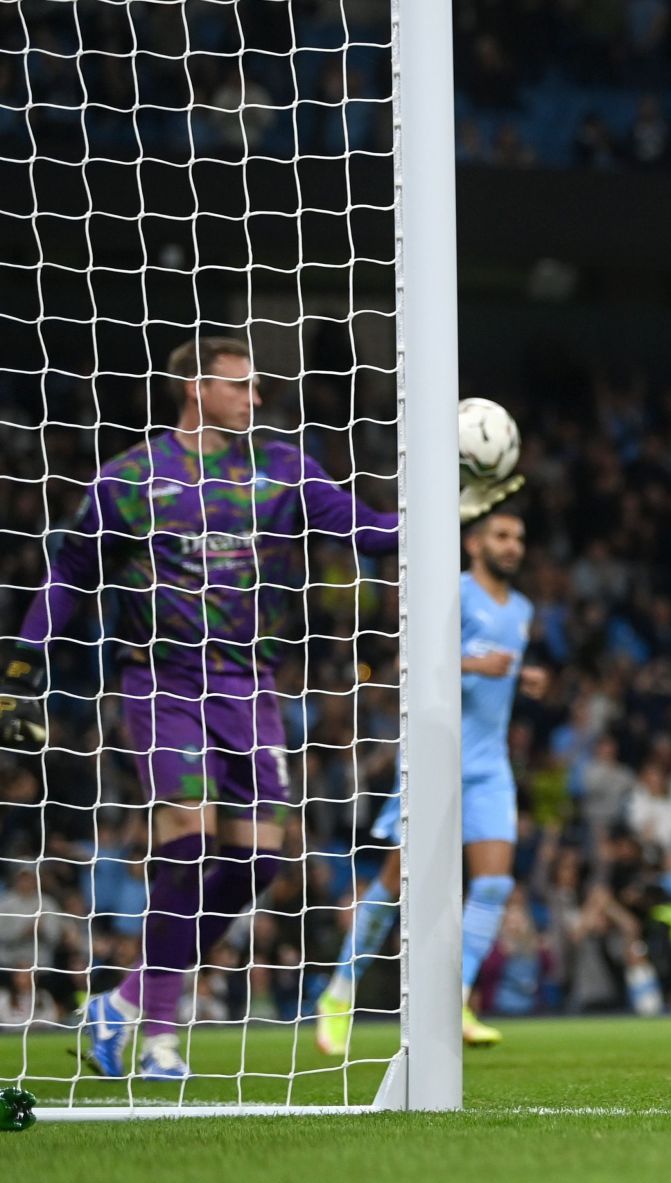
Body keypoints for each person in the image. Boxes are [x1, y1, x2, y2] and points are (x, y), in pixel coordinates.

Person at [0, 337, 404, 1080]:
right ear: (194, 389)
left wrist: (454, 506)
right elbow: (66, 579)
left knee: (260, 857)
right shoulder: (128, 480)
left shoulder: (283, 471)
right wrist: (21, 673)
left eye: (256, 388)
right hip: (163, 682)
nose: (255, 399)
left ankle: (119, 1001)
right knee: (188, 838)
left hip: (251, 687)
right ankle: (158, 1033)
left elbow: (370, 532)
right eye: (240, 387)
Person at [315, 511, 547, 1053]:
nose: (513, 546)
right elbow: (406, 664)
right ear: (473, 542)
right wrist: (474, 665)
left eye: (519, 537)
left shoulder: (523, 610)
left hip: (488, 766)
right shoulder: (455, 593)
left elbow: (497, 669)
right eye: (501, 536)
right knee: (399, 883)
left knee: (492, 884)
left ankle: (456, 999)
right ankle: (339, 991)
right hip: (435, 756)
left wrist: (522, 675)